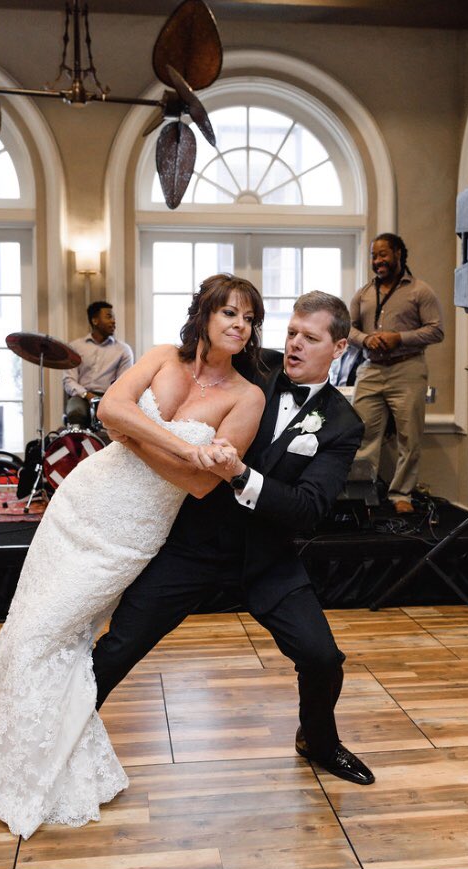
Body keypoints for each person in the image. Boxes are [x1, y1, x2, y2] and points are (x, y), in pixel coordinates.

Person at [0, 274, 266, 838]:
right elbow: (109, 414)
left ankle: (6, 770)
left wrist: (147, 440)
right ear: (204, 315)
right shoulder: (160, 356)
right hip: (79, 504)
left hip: (129, 532)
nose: (240, 325)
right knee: (25, 625)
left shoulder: (247, 397)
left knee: (49, 633)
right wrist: (187, 448)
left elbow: (199, 487)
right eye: (230, 313)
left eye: (248, 317)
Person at [91, 290, 375, 787]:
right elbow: (202, 346)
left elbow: (309, 510)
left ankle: (318, 740)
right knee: (118, 647)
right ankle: (58, 729)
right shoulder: (252, 368)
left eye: (310, 338)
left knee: (322, 658)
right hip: (195, 545)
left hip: (268, 558)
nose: (294, 345)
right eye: (290, 333)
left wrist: (243, 475)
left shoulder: (343, 423)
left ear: (339, 347)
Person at [348, 234, 444, 514]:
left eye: (383, 255)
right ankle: (361, 495)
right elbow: (347, 329)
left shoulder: (420, 291)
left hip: (408, 368)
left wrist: (399, 338)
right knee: (362, 434)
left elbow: (436, 330)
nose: (377, 261)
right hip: (371, 369)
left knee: (408, 437)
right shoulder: (364, 293)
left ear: (400, 253)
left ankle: (401, 495)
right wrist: (365, 340)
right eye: (373, 256)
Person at [63, 300, 134, 428]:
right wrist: (87, 395)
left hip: (109, 397)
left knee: (118, 415)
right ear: (95, 321)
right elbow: (69, 380)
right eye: (109, 316)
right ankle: (78, 446)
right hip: (81, 396)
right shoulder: (75, 347)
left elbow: (123, 383)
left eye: (114, 317)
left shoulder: (123, 350)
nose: (113, 321)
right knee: (75, 412)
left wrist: (105, 400)